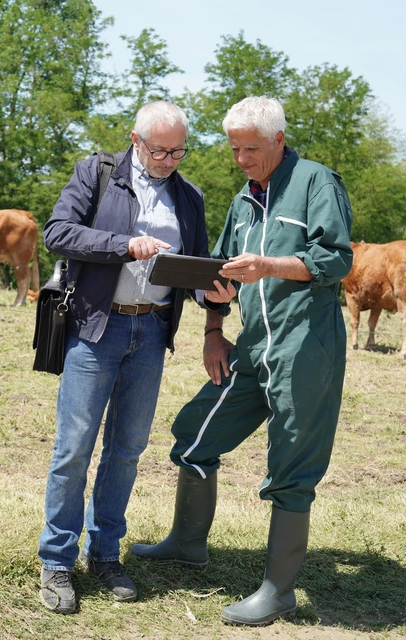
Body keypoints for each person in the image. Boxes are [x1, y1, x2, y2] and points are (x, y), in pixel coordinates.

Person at [130, 96, 353, 626]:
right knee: (192, 432)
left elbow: (336, 259)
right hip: (251, 347)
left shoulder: (318, 183)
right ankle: (187, 545)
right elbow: (220, 277)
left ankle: (278, 591)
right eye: (234, 148)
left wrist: (269, 265)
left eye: (251, 148)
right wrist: (213, 333)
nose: (241, 158)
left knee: (292, 466)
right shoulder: (241, 201)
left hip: (305, 347)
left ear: (279, 140)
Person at [38, 101, 214, 614]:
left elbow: (196, 267)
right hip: (97, 328)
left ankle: (106, 553)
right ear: (135, 139)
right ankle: (56, 562)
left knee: (128, 449)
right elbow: (58, 233)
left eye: (178, 150)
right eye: (159, 149)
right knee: (74, 448)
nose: (168, 159)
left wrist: (213, 294)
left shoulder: (190, 196)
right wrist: (124, 245)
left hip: (152, 331)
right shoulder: (97, 173)